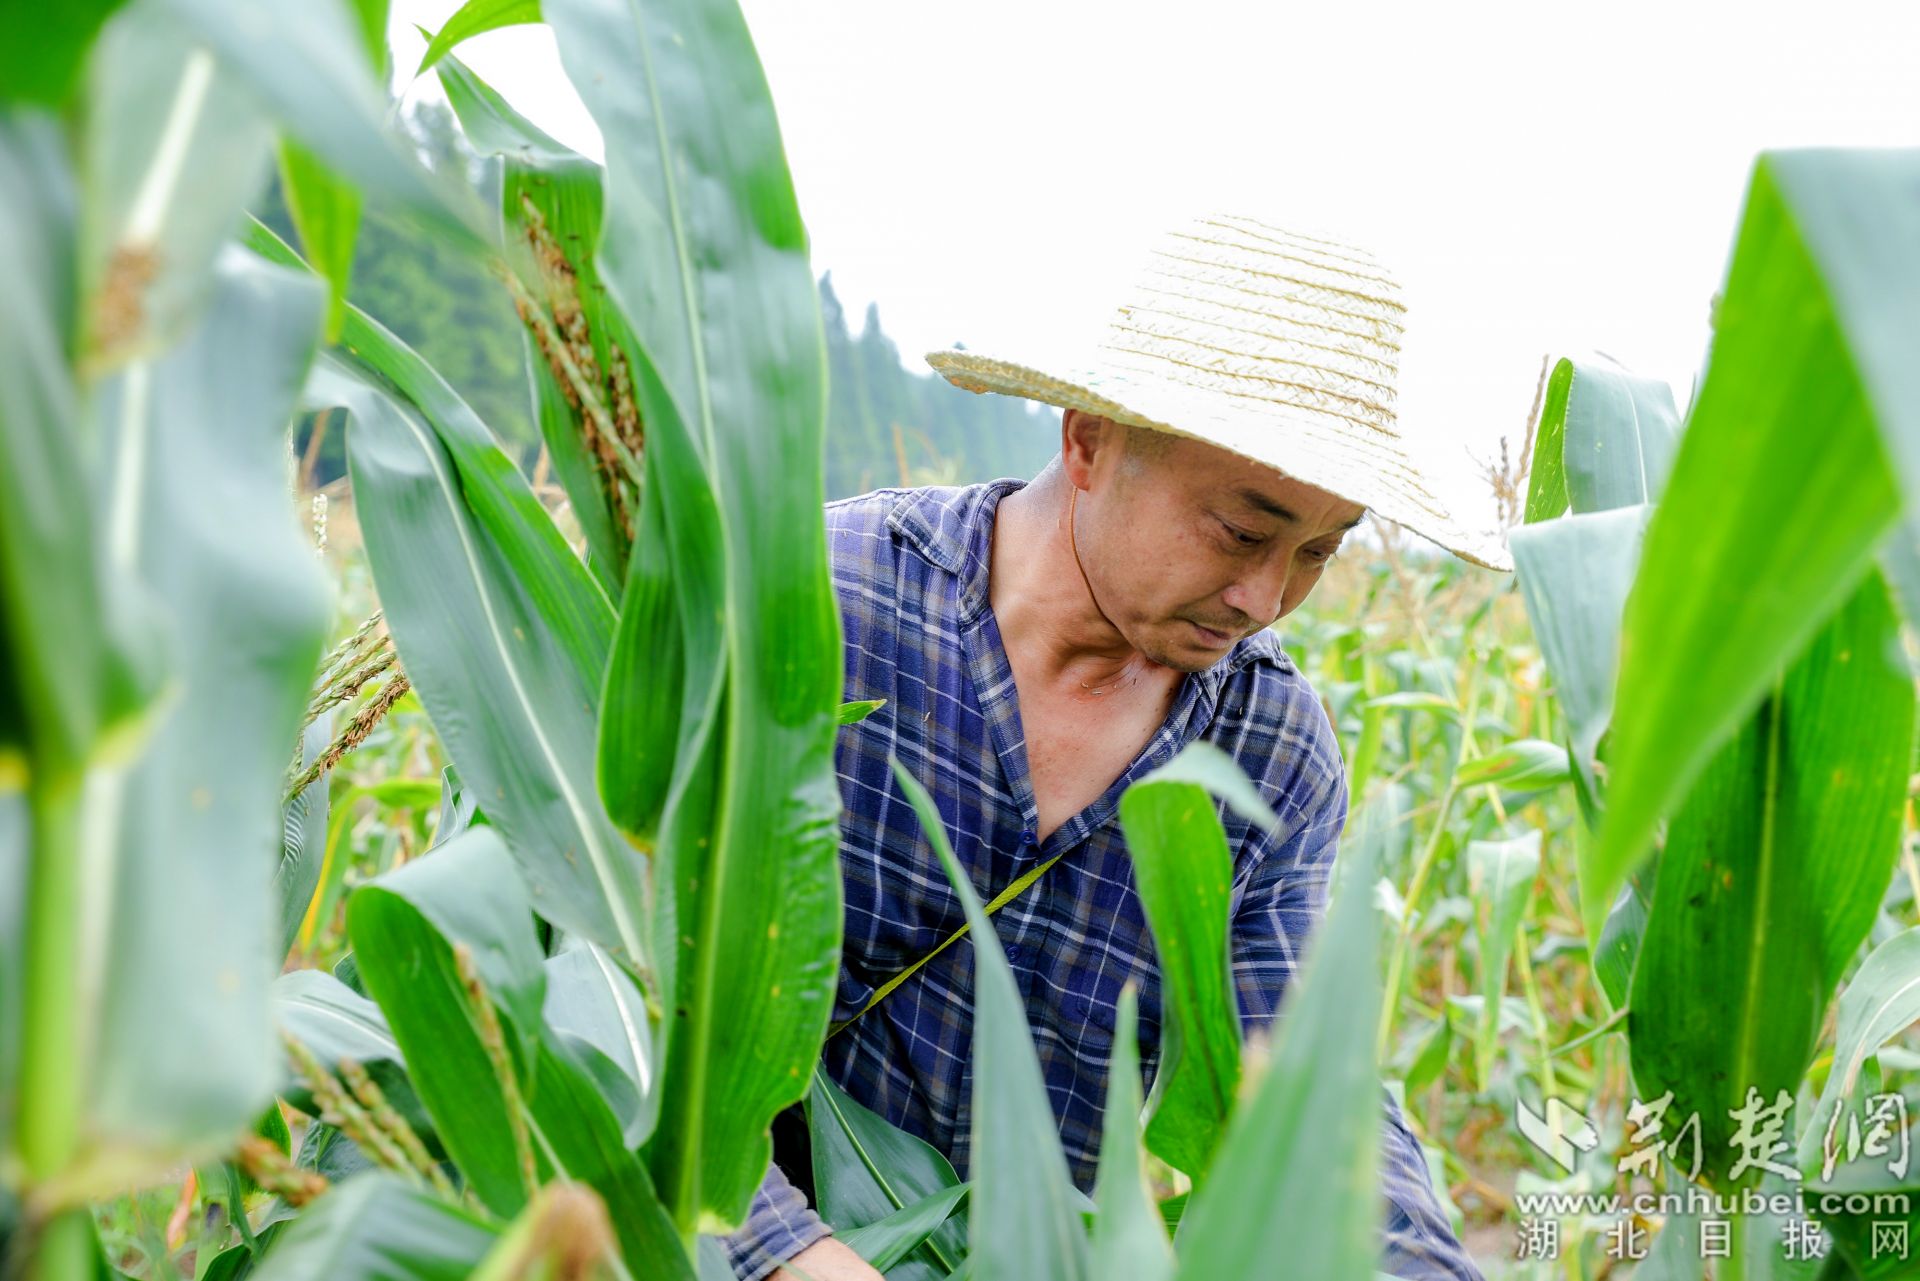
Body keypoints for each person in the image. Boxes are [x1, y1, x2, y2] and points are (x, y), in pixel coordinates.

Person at [720, 213, 1509, 1281]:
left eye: (1318, 552)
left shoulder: (1265, 753)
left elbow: (1309, 1095)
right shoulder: (825, 606)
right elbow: (612, 979)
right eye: (1240, 532)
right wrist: (785, 1251)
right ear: (1089, 442)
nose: (1265, 599)